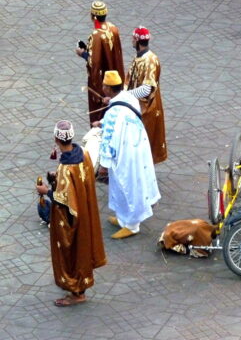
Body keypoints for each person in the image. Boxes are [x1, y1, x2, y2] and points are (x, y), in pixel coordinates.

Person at [36, 120, 106, 306]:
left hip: (70, 218)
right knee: (82, 247)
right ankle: (78, 284)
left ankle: (77, 293)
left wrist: (47, 191)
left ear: (56, 139)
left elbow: (65, 200)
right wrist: (57, 176)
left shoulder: (67, 168)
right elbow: (81, 180)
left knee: (72, 250)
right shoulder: (82, 153)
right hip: (86, 209)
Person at [93, 70, 161, 239]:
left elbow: (109, 138)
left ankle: (132, 225)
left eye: (104, 85)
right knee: (126, 184)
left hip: (125, 154)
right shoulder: (128, 98)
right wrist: (104, 120)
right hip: (137, 146)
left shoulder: (113, 112)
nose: (102, 88)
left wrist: (103, 165)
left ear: (109, 89)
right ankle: (124, 218)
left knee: (127, 185)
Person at [76, 1, 125, 123]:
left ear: (94, 17)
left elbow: (94, 63)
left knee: (100, 115)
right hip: (116, 76)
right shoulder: (114, 28)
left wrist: (82, 53)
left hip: (104, 81)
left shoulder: (96, 35)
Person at [125, 26, 167, 164]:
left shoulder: (151, 60)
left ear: (137, 41)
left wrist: (125, 96)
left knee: (144, 142)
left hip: (146, 107)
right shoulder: (138, 58)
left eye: (133, 39)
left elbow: (146, 89)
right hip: (135, 104)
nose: (131, 41)